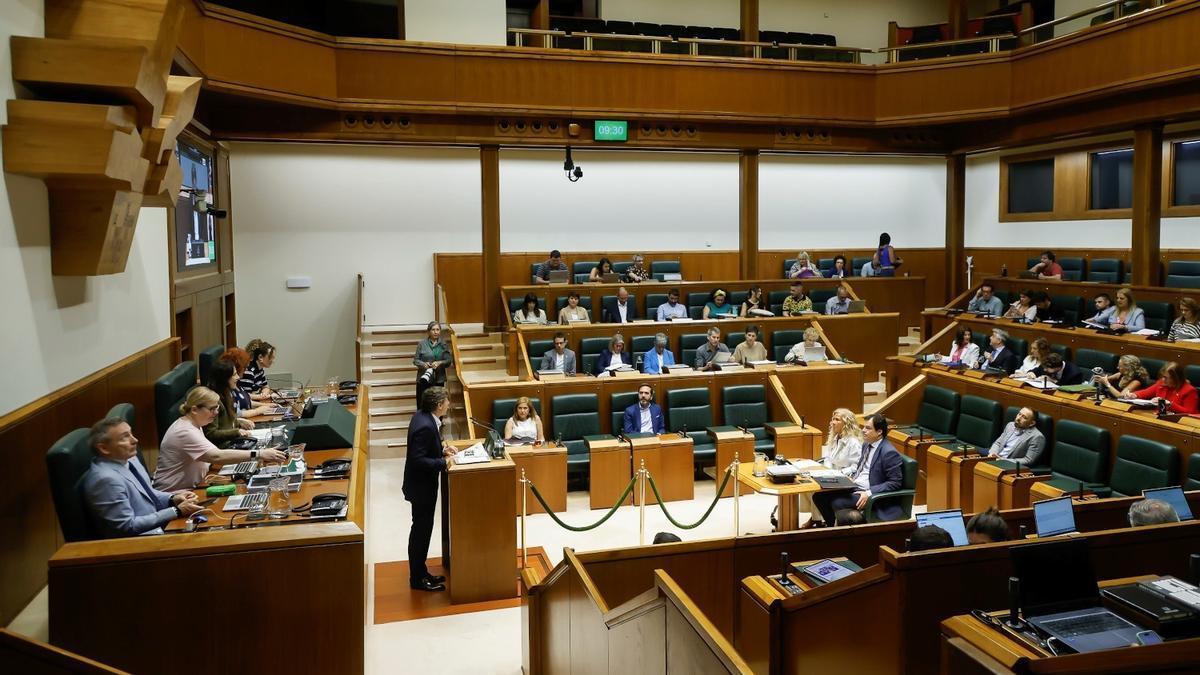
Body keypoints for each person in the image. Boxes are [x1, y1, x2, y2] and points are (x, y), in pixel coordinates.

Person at [82, 418, 202, 538]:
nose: (135, 440)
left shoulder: (130, 459)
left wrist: (172, 498)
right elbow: (127, 526)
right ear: (104, 448)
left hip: (158, 528)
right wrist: (176, 511)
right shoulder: (105, 480)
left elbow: (146, 493)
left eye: (131, 433)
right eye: (124, 437)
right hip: (138, 542)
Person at [154, 387, 285, 492]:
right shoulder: (185, 431)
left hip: (196, 485)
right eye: (212, 409)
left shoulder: (194, 423)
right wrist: (259, 454)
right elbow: (216, 456)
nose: (216, 412)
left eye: (217, 407)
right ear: (194, 410)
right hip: (175, 494)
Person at [403, 386, 456, 592]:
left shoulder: (422, 416)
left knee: (423, 530)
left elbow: (426, 448)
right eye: (447, 401)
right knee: (421, 532)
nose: (449, 404)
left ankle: (421, 571)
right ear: (439, 405)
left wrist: (442, 450)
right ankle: (416, 579)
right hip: (421, 488)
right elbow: (417, 460)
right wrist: (443, 462)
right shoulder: (425, 425)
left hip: (421, 486)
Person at [811, 414, 904, 523]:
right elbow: (860, 468)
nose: (863, 430)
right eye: (864, 427)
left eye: (868, 428)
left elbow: (895, 483)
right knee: (819, 496)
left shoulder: (889, 452)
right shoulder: (866, 444)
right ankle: (832, 527)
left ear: (879, 432)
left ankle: (840, 528)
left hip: (870, 492)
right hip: (855, 485)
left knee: (837, 503)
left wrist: (869, 493)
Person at [800, 409, 863, 524]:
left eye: (837, 420)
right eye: (832, 419)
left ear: (846, 423)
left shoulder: (853, 443)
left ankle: (818, 520)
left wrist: (839, 473)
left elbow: (856, 467)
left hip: (845, 479)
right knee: (805, 482)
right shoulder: (835, 437)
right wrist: (827, 471)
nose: (832, 422)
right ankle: (816, 518)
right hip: (832, 475)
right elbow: (828, 458)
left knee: (816, 492)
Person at [204, 359, 255, 447]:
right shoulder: (213, 401)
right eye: (234, 374)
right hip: (224, 448)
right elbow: (211, 434)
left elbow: (226, 423)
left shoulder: (227, 393)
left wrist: (239, 422)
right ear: (224, 378)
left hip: (232, 442)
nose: (238, 377)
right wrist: (236, 432)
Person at [219, 347, 272, 418]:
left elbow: (246, 401)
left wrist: (265, 405)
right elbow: (237, 414)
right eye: (244, 367)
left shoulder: (236, 384)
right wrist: (258, 410)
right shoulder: (227, 391)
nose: (246, 370)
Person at [1129, 361, 1200, 413]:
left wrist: (1169, 404)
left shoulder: (1189, 390)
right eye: (1163, 376)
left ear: (1175, 378)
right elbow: (1146, 392)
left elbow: (1189, 412)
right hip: (1160, 417)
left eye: (1166, 377)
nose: (1163, 379)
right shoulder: (1162, 383)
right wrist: (1135, 395)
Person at [414, 321, 449, 403]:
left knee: (438, 404)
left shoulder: (443, 344)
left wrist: (440, 363)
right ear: (429, 331)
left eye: (437, 329)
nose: (436, 332)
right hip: (424, 379)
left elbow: (448, 361)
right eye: (433, 330)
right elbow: (415, 360)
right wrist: (423, 364)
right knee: (423, 403)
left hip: (439, 379)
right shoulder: (422, 344)